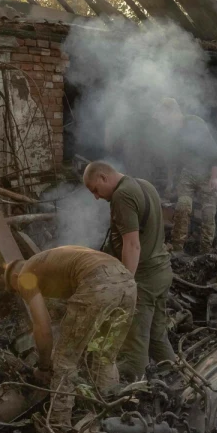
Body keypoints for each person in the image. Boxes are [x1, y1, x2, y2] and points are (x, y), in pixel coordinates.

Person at [0, 246, 136, 433]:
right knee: (104, 358)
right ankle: (110, 421)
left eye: (16, 291)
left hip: (99, 283)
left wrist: (44, 366)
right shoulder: (49, 261)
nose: (20, 294)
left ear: (14, 279)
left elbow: (43, 328)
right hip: (127, 283)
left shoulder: (23, 276)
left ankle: (58, 430)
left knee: (64, 360)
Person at [82, 160, 175, 380]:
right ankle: (178, 380)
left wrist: (126, 286)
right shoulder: (144, 185)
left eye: (95, 189)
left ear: (103, 177)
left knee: (135, 344)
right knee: (157, 337)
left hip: (144, 280)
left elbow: (132, 245)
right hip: (162, 272)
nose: (96, 196)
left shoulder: (122, 196)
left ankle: (134, 396)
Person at [155, 98, 217, 253]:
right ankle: (178, 248)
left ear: (174, 113)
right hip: (188, 173)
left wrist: (214, 177)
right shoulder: (171, 132)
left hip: (206, 172)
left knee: (209, 212)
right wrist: (171, 183)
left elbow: (213, 149)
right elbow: (172, 159)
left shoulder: (194, 123)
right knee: (183, 205)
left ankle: (205, 251)